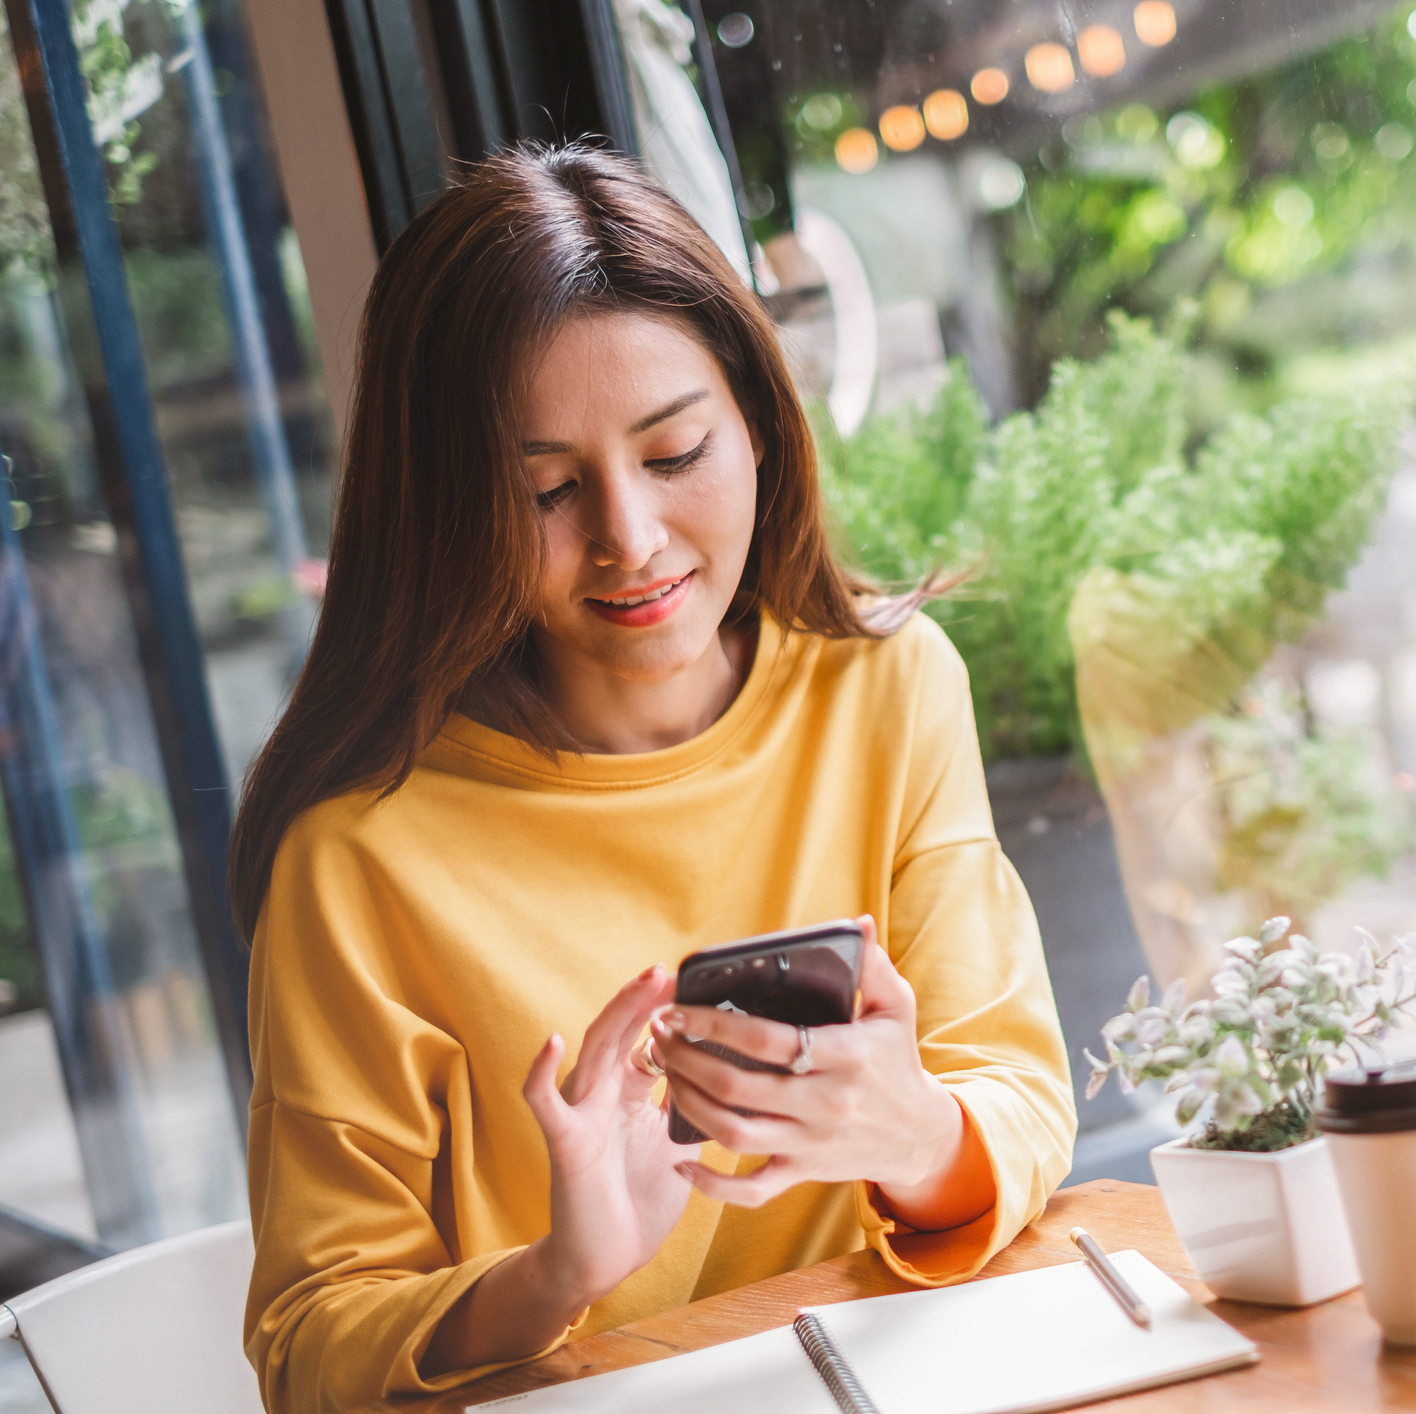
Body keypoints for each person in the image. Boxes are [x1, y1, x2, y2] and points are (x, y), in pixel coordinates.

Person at [234, 144, 1074, 1414]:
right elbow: (310, 1339)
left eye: (675, 453)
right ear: (448, 508)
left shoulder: (886, 691)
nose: (629, 538)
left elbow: (1012, 1090)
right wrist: (555, 1271)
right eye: (550, 491)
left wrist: (910, 1133)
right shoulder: (361, 855)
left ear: (756, 422)